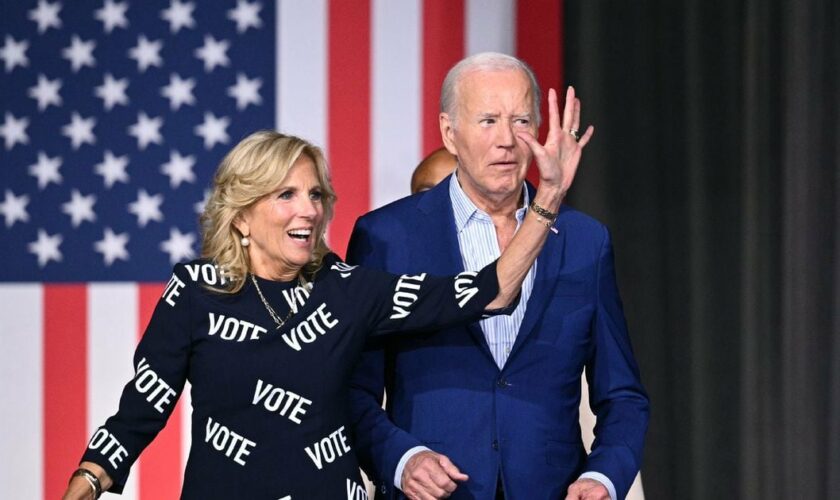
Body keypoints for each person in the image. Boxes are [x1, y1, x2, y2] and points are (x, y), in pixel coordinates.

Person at [61, 126, 574, 499]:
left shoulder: (349, 290)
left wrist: (547, 198)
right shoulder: (195, 293)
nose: (309, 210)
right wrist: (87, 480)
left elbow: (491, 290)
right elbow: (140, 411)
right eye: (286, 195)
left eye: (315, 195)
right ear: (241, 215)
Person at [347, 52, 648, 499]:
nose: (507, 140)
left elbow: (623, 395)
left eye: (521, 121)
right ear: (450, 133)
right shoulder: (386, 237)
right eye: (488, 120)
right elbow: (352, 389)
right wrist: (401, 459)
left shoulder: (586, 241)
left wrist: (601, 477)